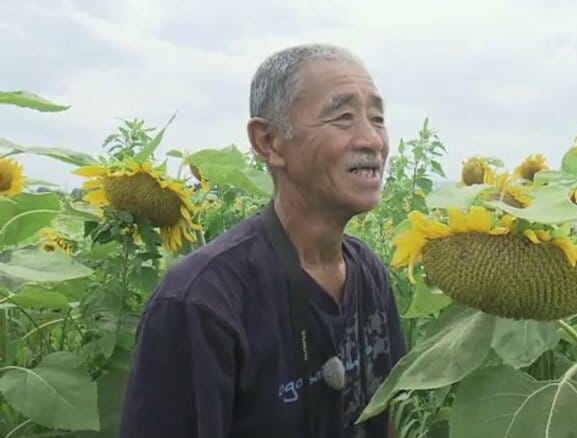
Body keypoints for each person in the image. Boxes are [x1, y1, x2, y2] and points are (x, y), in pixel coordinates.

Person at [119, 44, 406, 437]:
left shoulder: (368, 273)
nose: (372, 140)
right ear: (269, 141)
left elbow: (384, 416)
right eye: (342, 117)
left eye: (377, 118)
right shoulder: (202, 302)